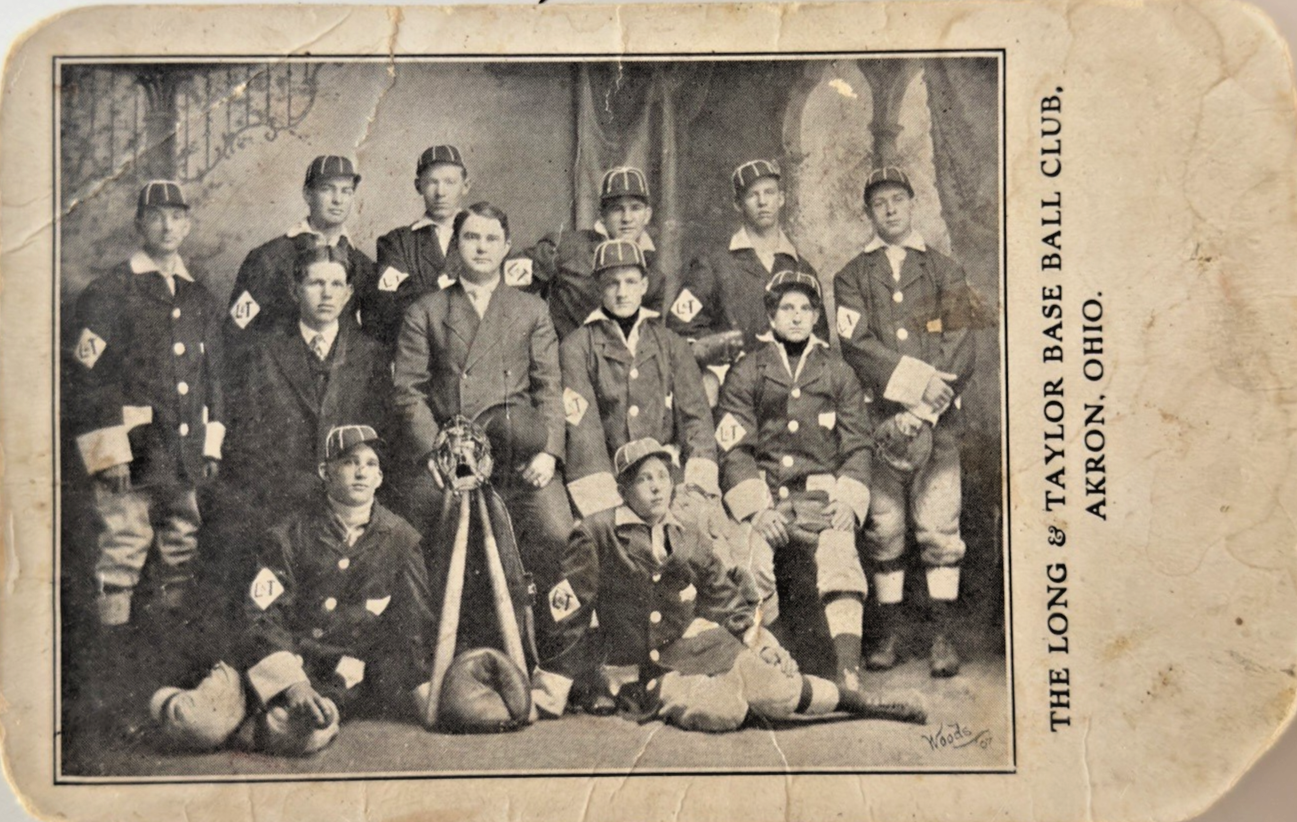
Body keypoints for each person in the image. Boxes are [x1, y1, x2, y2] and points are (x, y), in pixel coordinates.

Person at [530, 439, 925, 732]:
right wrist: (551, 692)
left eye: (663, 477)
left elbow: (725, 599)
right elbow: (567, 612)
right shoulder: (596, 532)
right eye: (643, 479)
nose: (655, 488)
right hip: (634, 673)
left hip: (690, 649)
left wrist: (764, 645)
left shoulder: (685, 534)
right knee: (725, 711)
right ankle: (737, 679)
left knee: (779, 690)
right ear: (623, 490)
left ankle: (860, 703)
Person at [147, 425, 435, 755]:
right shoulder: (289, 534)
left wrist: (426, 698)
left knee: (302, 736)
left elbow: (414, 627)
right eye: (349, 462)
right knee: (197, 725)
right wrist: (292, 683)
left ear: (380, 478)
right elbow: (262, 613)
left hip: (334, 678)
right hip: (261, 663)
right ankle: (176, 705)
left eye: (370, 464)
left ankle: (251, 728)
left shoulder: (401, 540)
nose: (361, 472)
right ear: (325, 472)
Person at [392, 201, 573, 658]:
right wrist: (435, 453)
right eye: (471, 237)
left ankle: (547, 654)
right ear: (455, 245)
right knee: (417, 527)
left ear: (507, 247)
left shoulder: (531, 310)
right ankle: (434, 655)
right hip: (449, 455)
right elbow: (408, 391)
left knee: (556, 530)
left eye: (492, 238)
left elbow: (550, 388)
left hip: (518, 453)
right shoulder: (427, 310)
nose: (482, 247)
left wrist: (549, 452)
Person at [832, 166, 979, 678]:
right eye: (879, 203)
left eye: (898, 199)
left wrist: (925, 409)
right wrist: (913, 391)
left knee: (939, 528)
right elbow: (856, 346)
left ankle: (942, 636)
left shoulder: (945, 269)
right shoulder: (851, 276)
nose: (890, 209)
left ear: (913, 203)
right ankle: (889, 632)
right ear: (869, 212)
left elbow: (960, 343)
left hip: (938, 425)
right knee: (885, 529)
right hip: (880, 426)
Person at [68, 180, 225, 632]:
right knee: (123, 545)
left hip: (182, 449)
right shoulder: (110, 291)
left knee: (181, 544)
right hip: (130, 451)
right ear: (140, 224)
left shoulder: (199, 298)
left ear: (189, 224)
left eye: (177, 216)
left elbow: (213, 378)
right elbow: (86, 376)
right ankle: (113, 653)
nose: (167, 225)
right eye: (156, 216)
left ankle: (164, 649)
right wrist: (108, 451)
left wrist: (210, 444)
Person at [714, 270, 873, 688]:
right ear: (771, 314)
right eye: (787, 308)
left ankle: (848, 671)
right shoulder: (748, 370)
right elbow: (734, 448)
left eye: (806, 308)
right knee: (753, 565)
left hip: (820, 498)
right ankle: (774, 661)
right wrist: (756, 509)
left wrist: (848, 503)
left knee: (841, 557)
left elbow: (858, 446)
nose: (797, 317)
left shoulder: (838, 373)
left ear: (818, 315)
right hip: (766, 497)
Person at [223, 245, 391, 528]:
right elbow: (246, 440)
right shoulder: (263, 353)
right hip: (279, 501)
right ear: (295, 290)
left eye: (336, 284)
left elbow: (382, 435)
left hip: (351, 503)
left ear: (349, 293)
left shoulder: (371, 355)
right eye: (316, 283)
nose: (327, 294)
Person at [558, 238, 717, 520]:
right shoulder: (576, 347)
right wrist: (605, 506)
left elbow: (697, 420)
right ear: (598, 287)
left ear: (644, 285)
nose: (622, 292)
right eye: (612, 283)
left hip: (669, 480)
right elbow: (584, 433)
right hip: (612, 481)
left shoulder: (671, 343)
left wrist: (696, 488)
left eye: (631, 282)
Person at [667, 159, 825, 400]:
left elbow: (820, 344)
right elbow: (679, 329)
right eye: (753, 195)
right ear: (738, 204)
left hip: (792, 396)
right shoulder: (713, 263)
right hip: (732, 392)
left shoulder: (803, 270)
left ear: (781, 199)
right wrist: (718, 355)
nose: (763, 202)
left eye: (769, 192)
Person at [223, 155, 375, 391]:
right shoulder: (268, 258)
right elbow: (236, 330)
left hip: (340, 392)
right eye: (327, 189)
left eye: (346, 191)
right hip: (276, 389)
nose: (337, 200)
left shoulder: (362, 265)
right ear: (307, 194)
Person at [530, 166, 666, 340]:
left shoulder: (653, 276)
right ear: (602, 215)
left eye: (635, 208)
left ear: (647, 215)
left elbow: (651, 342)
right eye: (617, 209)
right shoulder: (564, 248)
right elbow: (505, 288)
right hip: (564, 360)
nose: (627, 218)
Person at [365, 145, 473, 351]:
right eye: (432, 182)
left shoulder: (483, 237)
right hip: (418, 355)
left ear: (465, 186)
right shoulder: (396, 243)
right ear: (418, 186)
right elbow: (393, 303)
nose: (440, 192)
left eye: (450, 182)